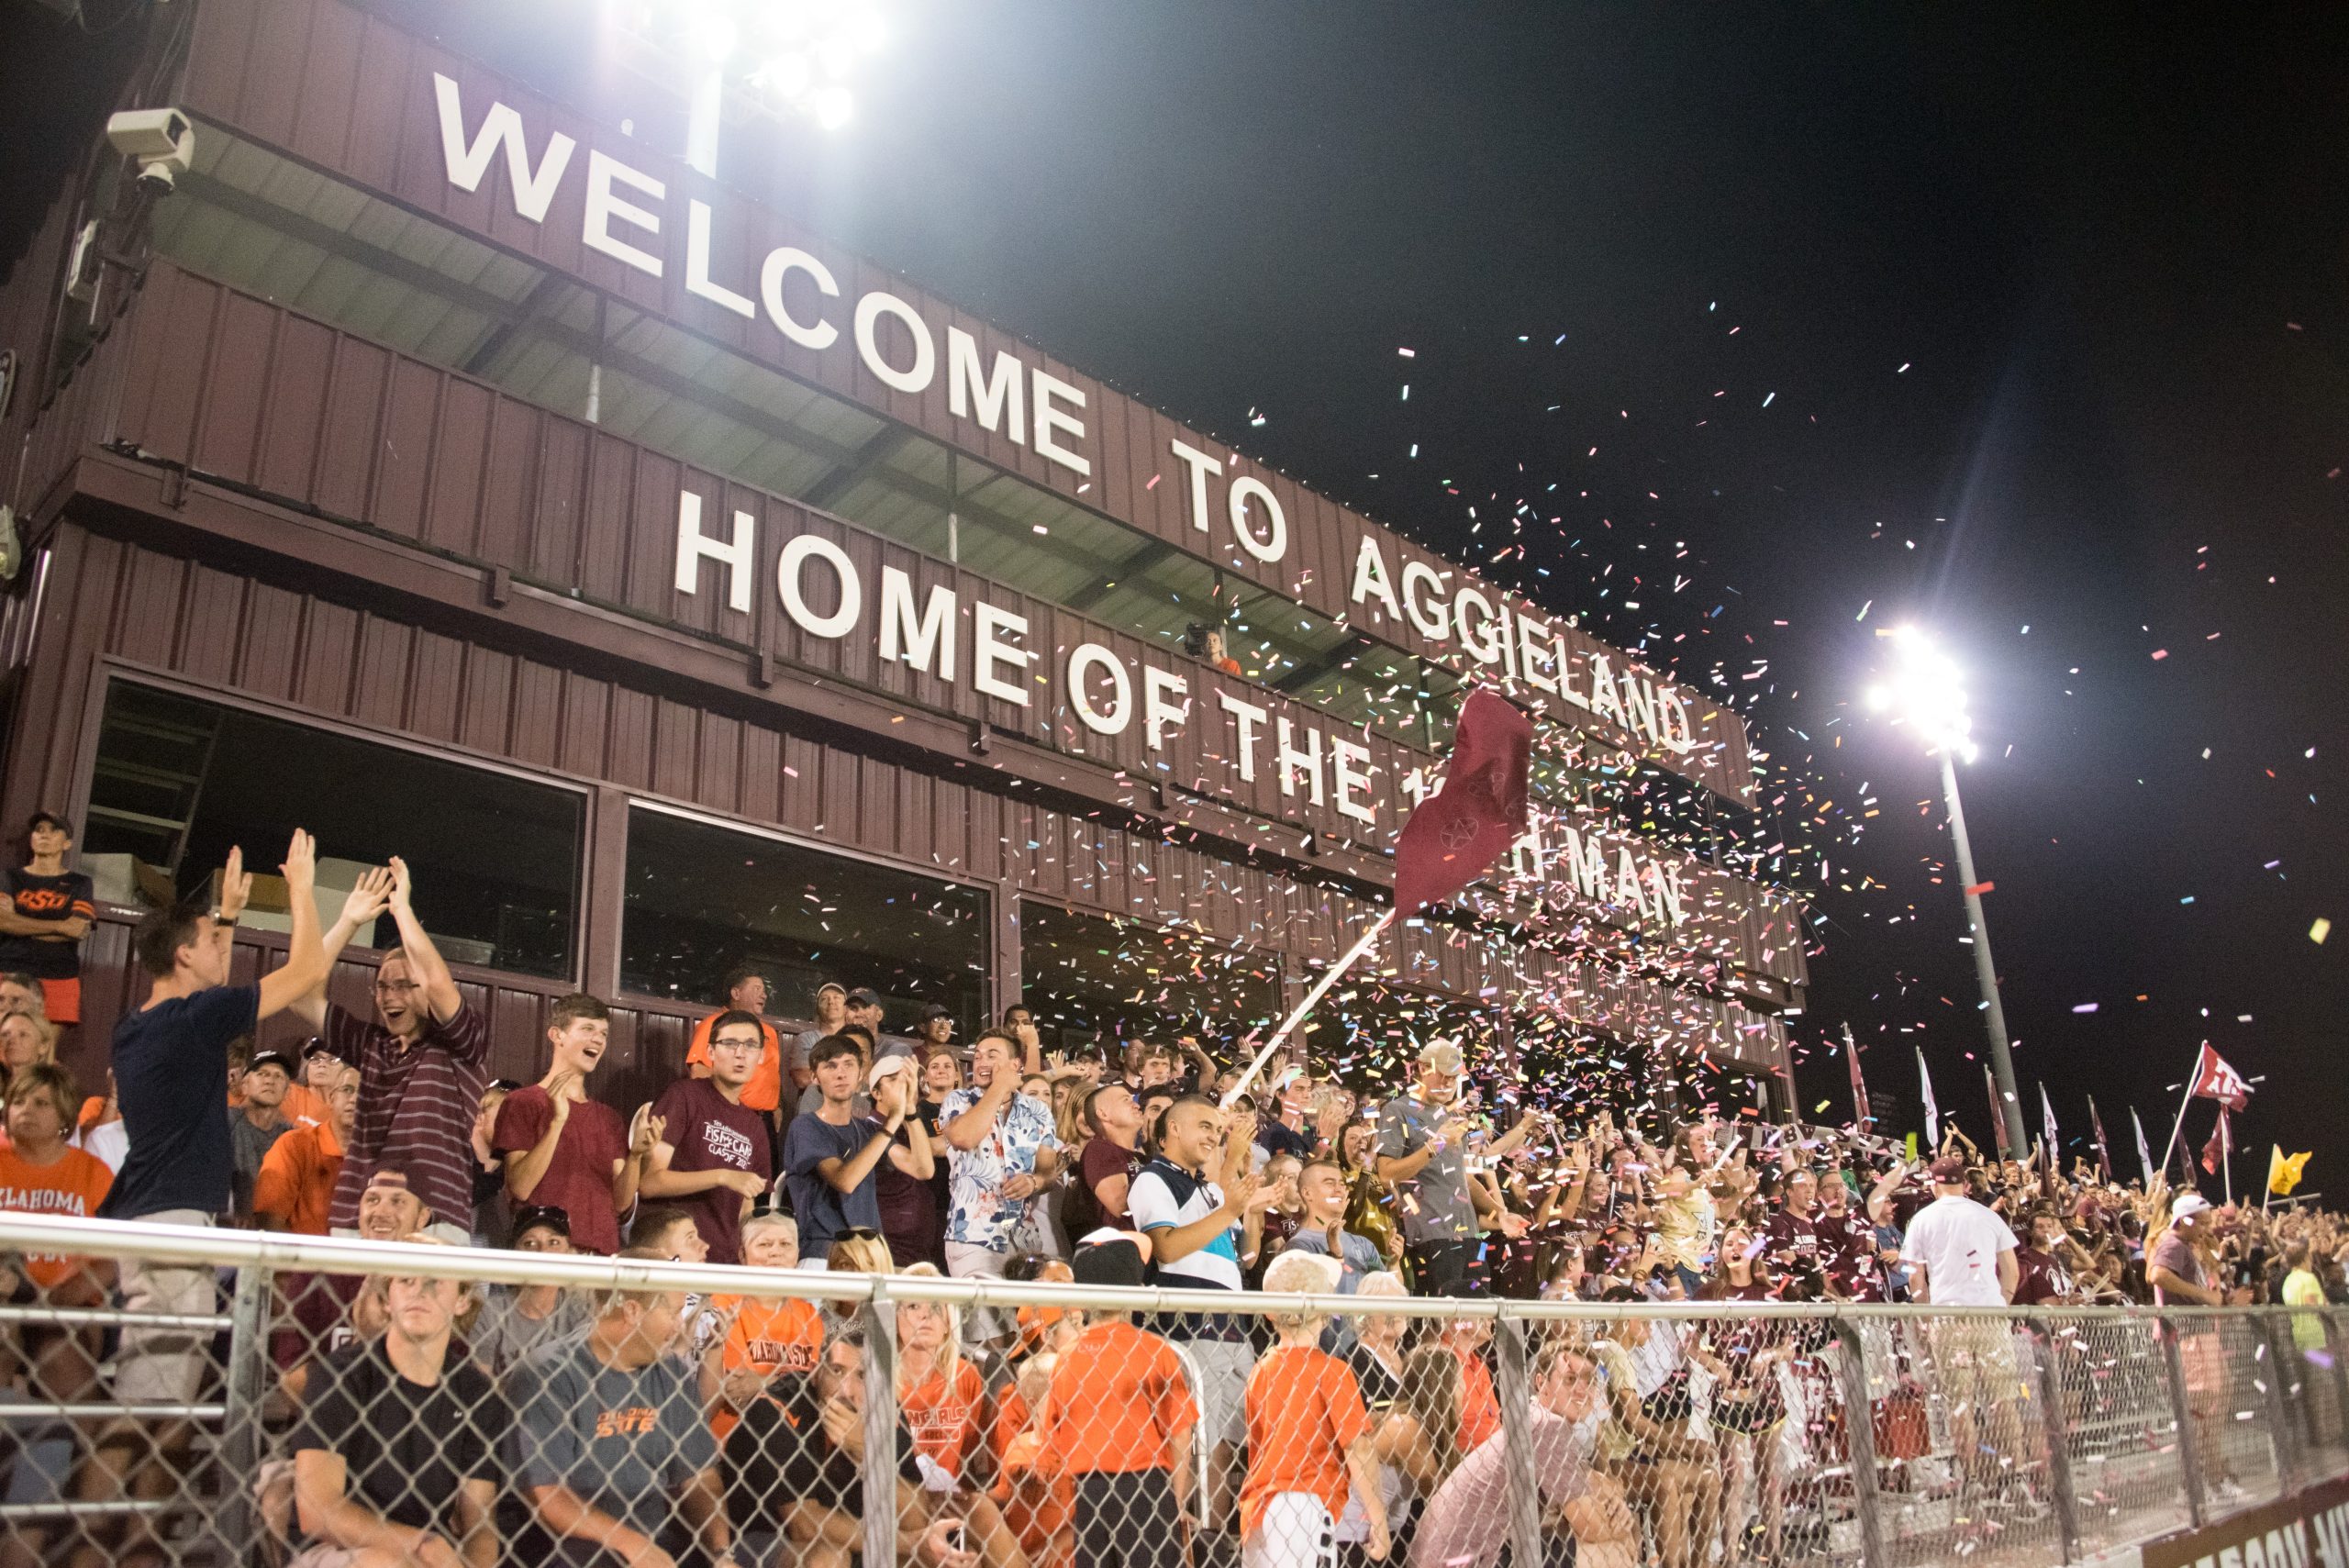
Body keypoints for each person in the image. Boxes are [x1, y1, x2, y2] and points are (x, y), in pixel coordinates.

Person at [100, 834, 341, 1409]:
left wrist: (227, 915)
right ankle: (109, 1504)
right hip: (174, 1223)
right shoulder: (196, 1019)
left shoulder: (138, 1025)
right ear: (184, 953)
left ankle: (131, 1504)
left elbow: (215, 987)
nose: (221, 946)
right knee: (150, 1413)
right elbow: (307, 969)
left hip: (150, 1212)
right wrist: (302, 892)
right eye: (212, 940)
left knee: (165, 1405)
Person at [288, 859, 488, 1245]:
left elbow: (434, 979)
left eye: (403, 986)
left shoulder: (462, 1041)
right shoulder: (370, 1043)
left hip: (434, 1215)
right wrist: (348, 921)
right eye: (382, 986)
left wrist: (402, 911)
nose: (390, 996)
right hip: (359, 1213)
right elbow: (299, 994)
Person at [507, 1247, 741, 1568]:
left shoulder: (669, 1371)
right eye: (673, 1313)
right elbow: (547, 1497)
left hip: (657, 1538)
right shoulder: (549, 1374)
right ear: (632, 1311)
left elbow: (699, 1478)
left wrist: (720, 1553)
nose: (679, 1327)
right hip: (571, 1546)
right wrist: (633, 1546)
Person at [290, 1240, 507, 1568]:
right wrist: (421, 1546)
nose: (419, 1291)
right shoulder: (342, 1375)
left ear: (462, 1301)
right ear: (387, 1299)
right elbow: (318, 1512)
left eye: (435, 1282)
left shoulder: (475, 1393)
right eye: (406, 1280)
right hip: (336, 1549)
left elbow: (479, 1522)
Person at [1129, 1095, 1268, 1529]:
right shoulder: (1153, 1179)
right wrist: (1230, 1206)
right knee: (1196, 1440)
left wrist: (1238, 1165)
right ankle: (1178, 1534)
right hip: (1188, 1323)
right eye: (1204, 1126)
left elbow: (1235, 1235)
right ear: (1172, 1129)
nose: (1213, 1135)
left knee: (1227, 1441)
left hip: (1230, 1324)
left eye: (1216, 1128)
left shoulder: (1204, 1186)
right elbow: (1167, 1247)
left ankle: (1211, 1537)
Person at [1041, 1239, 1199, 1568]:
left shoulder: (1067, 1358)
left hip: (1089, 1490)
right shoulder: (1153, 1350)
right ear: (1134, 1291)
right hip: (1146, 1487)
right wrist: (1175, 1500)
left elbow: (1055, 1436)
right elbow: (1181, 1434)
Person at [1409, 1340, 1633, 1568]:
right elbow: (1590, 1528)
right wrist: (1620, 1529)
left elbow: (1602, 1486)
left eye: (1590, 1380)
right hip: (1461, 1559)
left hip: (1456, 1554)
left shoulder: (1536, 1419)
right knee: (1609, 1552)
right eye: (1570, 1379)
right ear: (1541, 1383)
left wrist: (1613, 1506)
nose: (1582, 1390)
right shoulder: (1547, 1427)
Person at [1239, 1251, 1388, 1568]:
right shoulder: (1332, 1370)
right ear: (1322, 1312)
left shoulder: (1261, 1370)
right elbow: (1357, 1446)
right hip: (1306, 1506)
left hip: (1259, 1508)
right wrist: (1378, 1518)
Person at [494, 995, 655, 1256]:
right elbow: (521, 1187)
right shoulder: (522, 1102)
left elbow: (621, 1203)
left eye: (603, 1033)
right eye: (588, 1029)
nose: (599, 1039)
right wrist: (557, 1122)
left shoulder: (608, 1118)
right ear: (557, 1035)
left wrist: (636, 1155)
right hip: (547, 1255)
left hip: (600, 1256)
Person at [1375, 1042, 1529, 1297]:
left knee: (1479, 1325)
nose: (1448, 1084)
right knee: (1443, 1327)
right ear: (1422, 1068)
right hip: (1431, 1241)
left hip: (1470, 1238)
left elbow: (1465, 1180)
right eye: (1443, 1076)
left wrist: (1499, 1214)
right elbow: (1386, 1174)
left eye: (1454, 1078)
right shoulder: (1396, 1111)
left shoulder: (1452, 1118)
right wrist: (1433, 1146)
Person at [941, 1030, 1063, 1332]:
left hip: (1025, 1240)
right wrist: (998, 1089)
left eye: (991, 1055)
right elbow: (963, 1137)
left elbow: (1048, 1172)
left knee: (1034, 1334)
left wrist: (1033, 1182)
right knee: (989, 1339)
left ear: (1015, 1065)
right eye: (977, 1055)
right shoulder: (958, 1099)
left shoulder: (1038, 1111)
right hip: (973, 1238)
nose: (980, 1060)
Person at [642, 1009, 774, 1265]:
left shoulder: (755, 1125)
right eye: (729, 1043)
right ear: (711, 1052)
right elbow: (649, 1183)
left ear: (761, 1055)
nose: (740, 1053)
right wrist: (721, 1176)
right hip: (674, 1258)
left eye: (750, 1045)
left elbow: (746, 1207)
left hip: (724, 1263)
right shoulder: (683, 1096)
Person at [785, 1035, 917, 1262]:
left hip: (869, 1253)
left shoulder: (867, 1130)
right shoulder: (805, 1125)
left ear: (860, 1077)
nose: (840, 1073)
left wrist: (910, 1110)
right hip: (823, 1252)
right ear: (815, 1077)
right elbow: (844, 1181)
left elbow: (921, 1168)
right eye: (830, 1066)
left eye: (849, 1065)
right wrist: (893, 1119)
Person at [470, 1205, 596, 1376]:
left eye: (554, 1242)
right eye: (530, 1243)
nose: (543, 1252)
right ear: (514, 1255)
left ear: (569, 1253)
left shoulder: (581, 1313)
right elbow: (481, 1386)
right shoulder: (491, 1312)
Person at [0, 813, 93, 1029]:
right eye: (39, 830)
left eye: (53, 830)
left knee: (45, 1051)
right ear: (32, 839)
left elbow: (77, 928)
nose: (44, 835)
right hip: (9, 972)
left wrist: (18, 922)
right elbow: (3, 923)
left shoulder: (79, 883)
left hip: (58, 975)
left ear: (67, 843)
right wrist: (60, 926)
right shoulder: (9, 878)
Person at [253, 1059, 362, 1235]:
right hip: (298, 1259)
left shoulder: (385, 1155)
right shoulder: (293, 1145)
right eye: (347, 1090)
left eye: (366, 1092)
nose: (355, 1098)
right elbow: (268, 1222)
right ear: (332, 1098)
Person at [868, 1054, 942, 1269]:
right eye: (894, 1079)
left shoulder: (913, 1126)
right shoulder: (870, 1129)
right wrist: (909, 1111)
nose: (904, 1085)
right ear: (876, 1092)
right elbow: (923, 1169)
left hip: (923, 1250)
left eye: (908, 1079)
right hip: (890, 1252)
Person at [685, 966, 785, 1116]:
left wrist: (778, 1108)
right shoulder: (714, 1024)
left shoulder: (770, 1032)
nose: (764, 996)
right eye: (757, 989)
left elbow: (772, 1073)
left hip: (766, 1119)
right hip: (731, 1113)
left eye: (764, 991)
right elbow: (699, 1071)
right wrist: (727, 1107)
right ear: (736, 993)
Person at [1062, 1083, 1147, 1242]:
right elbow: (1119, 1204)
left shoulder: (1143, 1159)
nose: (1136, 1105)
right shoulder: (1099, 1149)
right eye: (1126, 1100)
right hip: (1121, 1255)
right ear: (1103, 1114)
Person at [229, 1048, 299, 1225]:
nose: (270, 1080)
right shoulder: (225, 1122)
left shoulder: (294, 1138)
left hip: (273, 1232)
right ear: (244, 1085)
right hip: (224, 1229)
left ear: (287, 1091)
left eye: (278, 1076)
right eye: (262, 1074)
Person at [786, 981, 849, 1098]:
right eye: (824, 999)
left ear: (846, 1008)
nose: (831, 1002)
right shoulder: (805, 1039)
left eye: (837, 998)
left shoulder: (855, 1041)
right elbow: (802, 1079)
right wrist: (845, 1081)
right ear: (817, 1009)